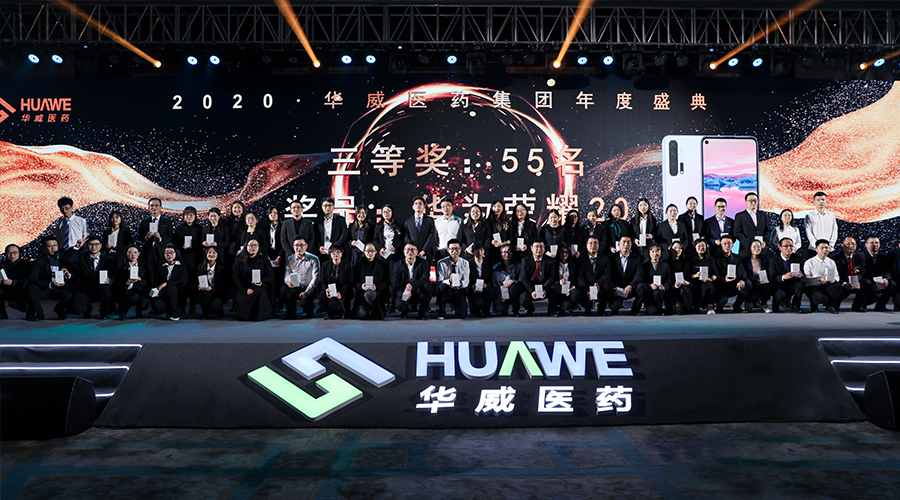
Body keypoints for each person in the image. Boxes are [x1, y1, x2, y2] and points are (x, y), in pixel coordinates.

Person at [26, 236, 74, 321]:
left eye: (55, 245)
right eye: (49, 246)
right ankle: (38, 312)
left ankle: (60, 309)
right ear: (44, 248)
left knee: (71, 293)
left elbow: (75, 272)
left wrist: (68, 275)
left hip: (61, 288)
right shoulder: (39, 261)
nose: (53, 248)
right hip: (46, 288)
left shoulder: (64, 258)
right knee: (32, 288)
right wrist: (49, 284)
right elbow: (32, 279)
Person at [68, 234, 116, 319]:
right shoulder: (81, 256)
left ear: (100, 245)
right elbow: (66, 259)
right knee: (78, 310)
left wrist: (111, 280)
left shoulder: (108, 259)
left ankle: (104, 311)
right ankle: (87, 308)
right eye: (91, 244)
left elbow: (115, 274)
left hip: (101, 288)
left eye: (96, 244)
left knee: (107, 289)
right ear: (87, 245)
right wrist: (76, 247)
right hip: (85, 288)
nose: (93, 247)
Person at [231, 238, 273, 321]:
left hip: (260, 286)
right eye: (250, 245)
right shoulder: (239, 261)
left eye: (255, 245)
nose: (253, 247)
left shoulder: (264, 259)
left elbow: (270, 275)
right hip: (244, 288)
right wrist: (245, 289)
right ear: (246, 247)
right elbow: (236, 278)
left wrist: (262, 282)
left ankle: (260, 315)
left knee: (261, 292)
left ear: (258, 247)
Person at [281, 237, 319, 319]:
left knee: (305, 303)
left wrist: (307, 292)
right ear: (293, 246)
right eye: (296, 245)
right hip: (296, 287)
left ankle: (309, 310)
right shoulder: (290, 259)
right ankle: (291, 313)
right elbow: (286, 275)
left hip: (309, 288)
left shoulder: (313, 259)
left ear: (306, 246)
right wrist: (288, 282)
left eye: (301, 245)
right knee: (284, 290)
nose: (299, 248)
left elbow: (315, 278)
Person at [391, 243, 433, 319]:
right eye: (407, 249)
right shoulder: (398, 264)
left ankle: (422, 311)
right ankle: (404, 310)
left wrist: (412, 285)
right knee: (400, 305)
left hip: (418, 290)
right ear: (404, 251)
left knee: (428, 288)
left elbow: (425, 278)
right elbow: (395, 283)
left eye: (413, 250)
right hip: (404, 291)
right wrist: (402, 293)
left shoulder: (423, 262)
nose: (410, 252)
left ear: (417, 252)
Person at [607, 235, 646, 316]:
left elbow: (639, 275)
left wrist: (631, 285)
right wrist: (613, 287)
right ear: (619, 244)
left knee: (642, 286)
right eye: (624, 242)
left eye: (628, 242)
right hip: (616, 290)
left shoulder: (637, 258)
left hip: (630, 289)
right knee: (614, 307)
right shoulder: (611, 258)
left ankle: (635, 311)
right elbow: (607, 275)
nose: (626, 244)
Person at [175, 206, 203, 315]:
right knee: (183, 285)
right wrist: (182, 247)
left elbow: (201, 244)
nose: (189, 217)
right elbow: (176, 243)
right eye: (187, 215)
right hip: (183, 260)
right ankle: (181, 306)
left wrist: (193, 247)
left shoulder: (200, 229)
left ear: (195, 216)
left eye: (191, 215)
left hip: (195, 260)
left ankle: (193, 306)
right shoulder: (179, 228)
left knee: (194, 285)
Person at [767, 237, 806, 313]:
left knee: (801, 283)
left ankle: (796, 307)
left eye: (791, 246)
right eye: (786, 246)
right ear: (780, 248)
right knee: (779, 294)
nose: (789, 248)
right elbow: (772, 277)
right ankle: (775, 307)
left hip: (792, 283)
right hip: (779, 284)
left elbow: (804, 273)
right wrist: (783, 277)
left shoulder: (797, 258)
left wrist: (801, 275)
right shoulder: (773, 260)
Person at [576, 235, 612, 316]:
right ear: (586, 245)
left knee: (607, 286)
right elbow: (580, 277)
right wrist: (587, 291)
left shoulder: (605, 258)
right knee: (580, 288)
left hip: (600, 286)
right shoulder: (581, 260)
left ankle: (601, 308)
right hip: (586, 287)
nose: (593, 245)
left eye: (595, 243)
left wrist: (598, 283)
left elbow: (607, 275)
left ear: (599, 245)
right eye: (591, 243)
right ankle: (587, 308)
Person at [519, 239, 557, 316]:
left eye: (541, 247)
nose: (539, 249)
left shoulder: (550, 260)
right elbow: (524, 278)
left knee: (555, 288)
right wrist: (531, 290)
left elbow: (552, 276)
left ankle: (552, 311)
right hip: (531, 286)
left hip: (545, 286)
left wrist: (545, 288)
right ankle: (530, 309)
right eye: (536, 247)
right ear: (531, 248)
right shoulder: (525, 260)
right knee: (523, 298)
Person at [803, 239, 842, 313]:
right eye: (822, 248)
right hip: (814, 286)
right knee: (820, 298)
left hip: (827, 285)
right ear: (816, 249)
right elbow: (807, 279)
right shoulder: (809, 262)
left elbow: (837, 276)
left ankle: (830, 306)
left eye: (826, 248)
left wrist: (834, 280)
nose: (825, 250)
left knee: (838, 285)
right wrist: (819, 279)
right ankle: (814, 305)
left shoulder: (831, 262)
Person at [713, 235, 749, 314]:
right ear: (721, 245)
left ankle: (737, 306)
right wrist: (724, 279)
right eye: (724, 244)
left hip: (734, 284)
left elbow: (742, 270)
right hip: (721, 285)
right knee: (721, 300)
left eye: (729, 243)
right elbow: (715, 274)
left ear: (732, 245)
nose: (727, 246)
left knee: (747, 283)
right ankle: (719, 306)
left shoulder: (737, 258)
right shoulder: (715, 259)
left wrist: (742, 280)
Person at [833, 236, 870, 313]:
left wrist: (857, 281)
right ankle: (835, 305)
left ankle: (857, 305)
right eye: (848, 244)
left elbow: (862, 271)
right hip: (842, 281)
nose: (851, 246)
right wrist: (844, 284)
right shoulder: (836, 258)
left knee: (866, 283)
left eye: (853, 244)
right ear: (842, 245)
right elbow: (835, 275)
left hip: (855, 281)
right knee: (838, 287)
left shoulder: (860, 256)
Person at [151, 244, 187, 320]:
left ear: (176, 253)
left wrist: (167, 284)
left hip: (178, 292)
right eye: (166, 252)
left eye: (171, 252)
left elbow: (182, 281)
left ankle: (176, 313)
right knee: (157, 304)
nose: (169, 255)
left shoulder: (182, 266)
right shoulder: (160, 266)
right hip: (163, 293)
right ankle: (168, 311)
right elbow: (156, 281)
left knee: (170, 287)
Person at [436, 239, 469, 319]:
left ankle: (457, 307)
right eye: (452, 249)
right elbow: (439, 281)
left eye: (457, 248)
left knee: (462, 315)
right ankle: (441, 311)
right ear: (448, 250)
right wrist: (449, 281)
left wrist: (460, 284)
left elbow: (466, 280)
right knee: (442, 287)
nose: (454, 251)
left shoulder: (465, 263)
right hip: (447, 290)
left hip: (459, 289)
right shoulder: (441, 263)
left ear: (460, 250)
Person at [354, 243, 388, 320]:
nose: (370, 253)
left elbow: (386, 282)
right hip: (362, 294)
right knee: (362, 314)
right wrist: (361, 286)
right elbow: (354, 281)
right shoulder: (358, 264)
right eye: (368, 251)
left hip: (376, 294)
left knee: (370, 294)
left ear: (376, 252)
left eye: (372, 251)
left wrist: (377, 287)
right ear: (364, 251)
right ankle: (368, 309)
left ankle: (375, 310)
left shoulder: (382, 265)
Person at [318, 245, 353, 319]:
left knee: (333, 304)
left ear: (341, 254)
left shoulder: (347, 265)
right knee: (321, 297)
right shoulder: (325, 265)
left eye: (338, 252)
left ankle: (340, 311)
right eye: (333, 252)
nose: (336, 254)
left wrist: (341, 292)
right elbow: (322, 281)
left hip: (343, 291)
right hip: (330, 290)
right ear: (330, 254)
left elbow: (350, 282)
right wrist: (326, 289)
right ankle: (329, 312)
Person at [115, 245, 150, 320]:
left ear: (139, 254)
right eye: (130, 252)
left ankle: (138, 310)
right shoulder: (121, 267)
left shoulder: (144, 267)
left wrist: (140, 279)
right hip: (125, 291)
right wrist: (126, 283)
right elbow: (117, 283)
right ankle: (123, 311)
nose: (133, 255)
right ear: (126, 254)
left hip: (139, 291)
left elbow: (147, 282)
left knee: (143, 302)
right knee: (134, 297)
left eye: (135, 252)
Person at [862, 236, 896, 312]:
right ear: (866, 245)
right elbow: (863, 272)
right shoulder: (862, 256)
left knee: (892, 284)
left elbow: (888, 271)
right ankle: (860, 304)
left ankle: (881, 306)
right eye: (872, 243)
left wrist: (886, 279)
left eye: (877, 243)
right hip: (868, 282)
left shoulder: (883, 257)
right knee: (866, 283)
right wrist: (873, 283)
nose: (875, 245)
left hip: (879, 281)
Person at [733, 192, 771, 258]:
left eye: (755, 200)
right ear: (746, 202)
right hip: (746, 250)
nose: (753, 202)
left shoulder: (762, 214)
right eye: (750, 201)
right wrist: (749, 243)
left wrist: (764, 241)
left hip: (762, 249)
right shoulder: (740, 216)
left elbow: (768, 230)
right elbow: (737, 233)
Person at [196, 246, 230, 319]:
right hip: (206, 292)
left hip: (219, 292)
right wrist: (198, 286)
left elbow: (225, 284)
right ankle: (205, 313)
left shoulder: (223, 267)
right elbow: (196, 280)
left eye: (214, 252)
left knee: (214, 306)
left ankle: (219, 310)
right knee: (203, 295)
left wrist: (212, 288)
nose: (211, 254)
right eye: (209, 252)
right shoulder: (201, 267)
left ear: (218, 255)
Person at [139, 197, 173, 266]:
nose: (154, 207)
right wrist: (146, 237)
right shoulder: (144, 222)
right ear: (149, 208)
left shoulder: (167, 222)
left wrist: (160, 238)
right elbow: (140, 237)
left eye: (156, 205)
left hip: (162, 252)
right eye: (152, 205)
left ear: (161, 207)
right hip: (148, 252)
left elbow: (170, 237)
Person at [804, 192, 838, 259]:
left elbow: (834, 230)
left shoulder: (831, 215)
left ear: (826, 200)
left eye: (823, 199)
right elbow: (808, 232)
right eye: (818, 200)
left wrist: (831, 244)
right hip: (814, 249)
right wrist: (817, 246)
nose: (821, 202)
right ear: (814, 201)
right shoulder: (809, 216)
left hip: (829, 249)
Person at [1, 244, 31, 319]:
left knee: (32, 289)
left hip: (21, 287)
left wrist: (12, 282)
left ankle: (31, 312)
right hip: (6, 288)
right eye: (9, 253)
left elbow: (29, 280)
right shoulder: (1, 265)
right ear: (5, 254)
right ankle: (1, 313)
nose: (12, 255)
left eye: (14, 252)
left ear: (19, 253)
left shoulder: (26, 265)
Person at [690, 239, 719, 315]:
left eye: (703, 246)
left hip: (707, 281)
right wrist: (696, 275)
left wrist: (710, 279)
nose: (701, 248)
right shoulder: (690, 260)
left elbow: (715, 273)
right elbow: (687, 275)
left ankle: (710, 306)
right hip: (694, 281)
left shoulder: (710, 260)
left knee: (708, 285)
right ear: (695, 247)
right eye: (699, 246)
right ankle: (696, 306)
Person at [742, 240, 773, 313]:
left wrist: (767, 280)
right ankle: (748, 302)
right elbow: (743, 274)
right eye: (754, 247)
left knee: (766, 286)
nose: (756, 249)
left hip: (762, 283)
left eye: (758, 247)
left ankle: (764, 304)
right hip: (751, 283)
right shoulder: (744, 260)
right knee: (748, 284)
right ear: (750, 248)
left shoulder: (765, 260)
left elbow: (769, 273)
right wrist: (754, 281)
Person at [640, 244, 671, 316]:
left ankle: (659, 308)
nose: (655, 253)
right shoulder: (644, 266)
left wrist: (663, 287)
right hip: (649, 293)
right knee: (652, 312)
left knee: (658, 293)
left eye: (657, 251)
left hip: (660, 293)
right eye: (652, 251)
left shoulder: (665, 266)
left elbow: (669, 280)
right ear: (649, 252)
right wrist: (650, 286)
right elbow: (641, 280)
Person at [403, 197, 436, 263]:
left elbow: (431, 236)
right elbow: (406, 236)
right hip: (412, 253)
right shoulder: (408, 221)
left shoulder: (429, 220)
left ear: (424, 206)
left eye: (420, 203)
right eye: (416, 203)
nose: (418, 205)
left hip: (426, 253)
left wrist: (424, 250)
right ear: (413, 207)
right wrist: (413, 249)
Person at [492, 244, 521, 316]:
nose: (507, 254)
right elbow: (494, 283)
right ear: (501, 253)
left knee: (514, 287)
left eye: (509, 252)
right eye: (504, 252)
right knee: (501, 310)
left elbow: (521, 280)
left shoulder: (517, 266)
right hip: (502, 293)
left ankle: (515, 310)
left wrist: (513, 281)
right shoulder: (496, 267)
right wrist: (499, 294)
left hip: (513, 292)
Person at [551, 245, 580, 316]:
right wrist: (558, 282)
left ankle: (571, 308)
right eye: (562, 252)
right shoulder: (554, 264)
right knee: (554, 288)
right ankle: (554, 308)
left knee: (575, 292)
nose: (564, 254)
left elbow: (576, 279)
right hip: (558, 290)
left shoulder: (573, 265)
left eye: (566, 252)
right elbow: (551, 278)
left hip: (569, 291)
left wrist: (572, 288)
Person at [467, 243, 494, 317]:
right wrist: (472, 285)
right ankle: (474, 308)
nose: (479, 252)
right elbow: (466, 278)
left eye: (481, 250)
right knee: (478, 303)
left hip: (485, 287)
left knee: (490, 290)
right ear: (473, 251)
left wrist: (486, 284)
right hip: (473, 288)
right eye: (477, 250)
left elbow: (491, 278)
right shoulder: (468, 263)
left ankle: (487, 309)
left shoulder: (488, 263)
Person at [434, 198, 464, 264]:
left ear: (452, 207)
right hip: (441, 253)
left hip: (455, 253)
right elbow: (434, 238)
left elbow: (462, 237)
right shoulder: (437, 221)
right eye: (443, 206)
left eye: (448, 205)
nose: (446, 208)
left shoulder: (459, 221)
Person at [666, 241, 692, 315]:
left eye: (680, 248)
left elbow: (689, 277)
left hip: (683, 285)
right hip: (671, 286)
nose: (677, 250)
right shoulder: (666, 263)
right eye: (675, 248)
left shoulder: (685, 262)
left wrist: (687, 282)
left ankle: (685, 308)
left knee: (685, 289)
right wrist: (673, 285)